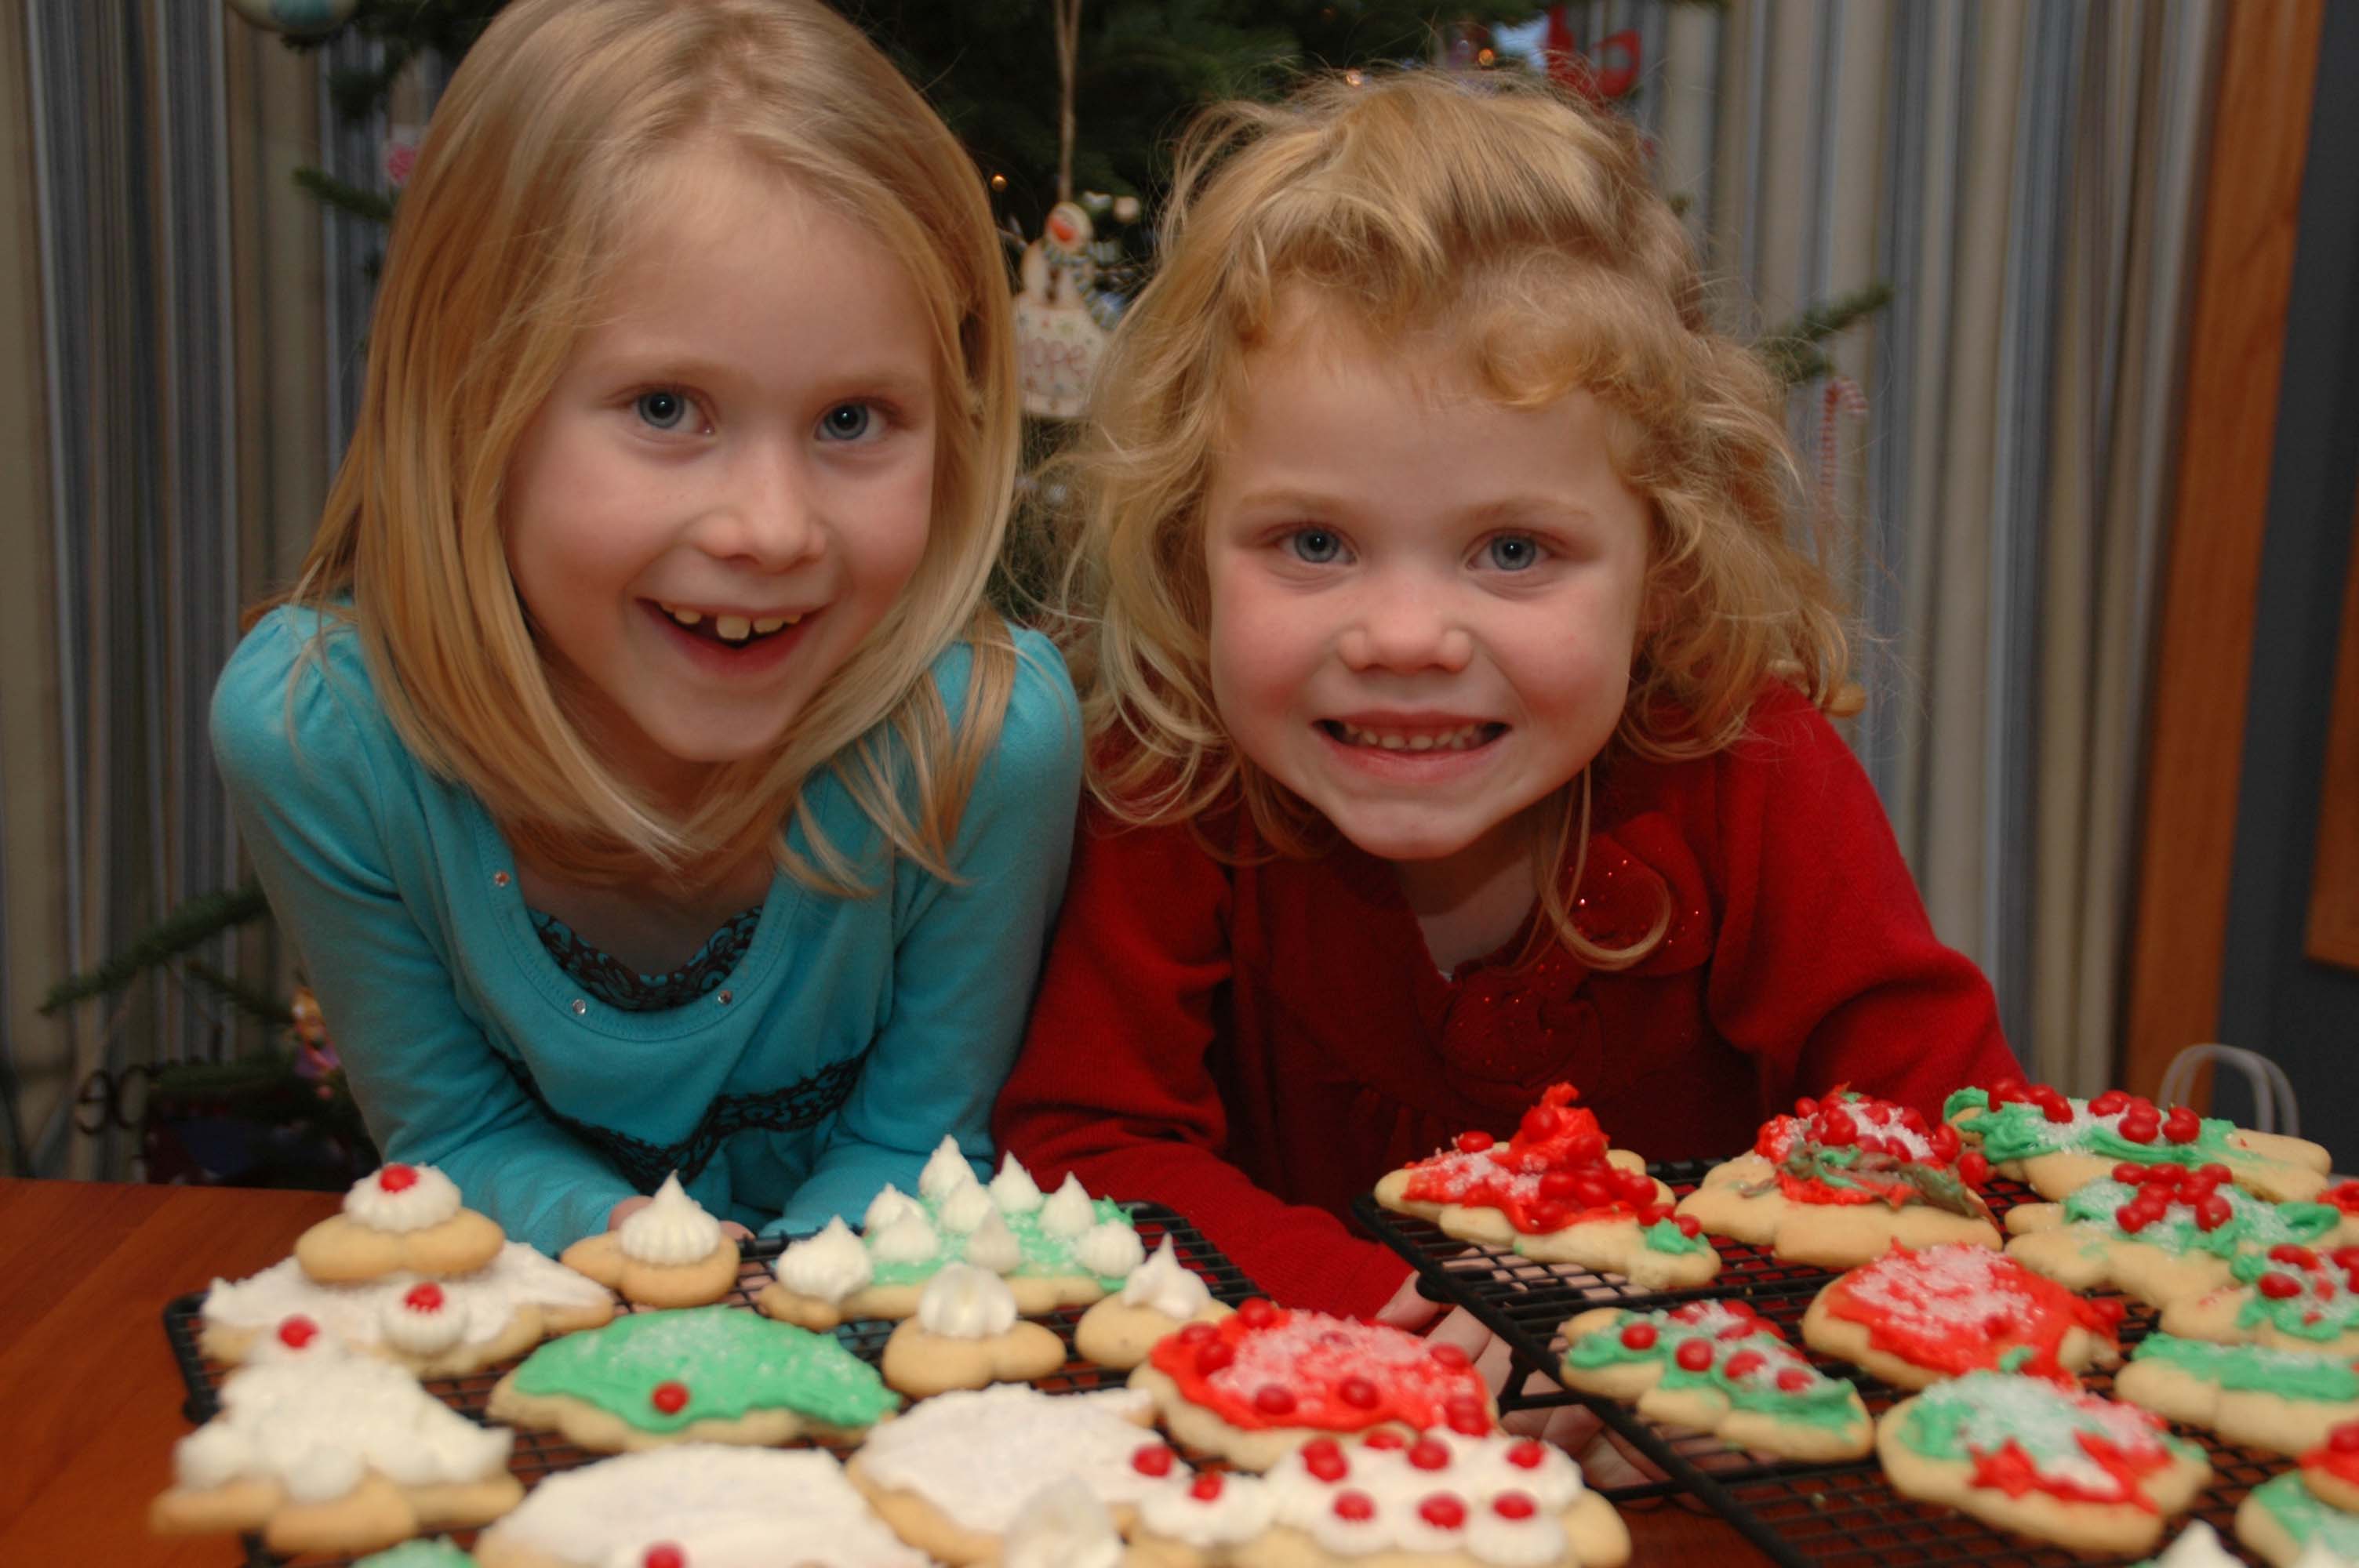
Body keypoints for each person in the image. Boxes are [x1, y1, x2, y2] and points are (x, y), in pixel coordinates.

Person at [994, 69, 2019, 1330]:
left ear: (1664, 571)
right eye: (1314, 544)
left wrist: (1684, 1349)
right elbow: (1087, 1145)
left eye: (1515, 551)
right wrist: (1398, 1315)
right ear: (1189, 555)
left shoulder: (1751, 771)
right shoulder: (1175, 781)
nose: (1406, 638)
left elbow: (1945, 1147)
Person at [213, 0, 1079, 1259]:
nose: (772, 529)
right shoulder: (322, 738)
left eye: (852, 421)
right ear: (468, 408)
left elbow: (916, 1148)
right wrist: (649, 1262)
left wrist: (758, 1318)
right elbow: (453, 1134)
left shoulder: (982, 744)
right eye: (667, 408)